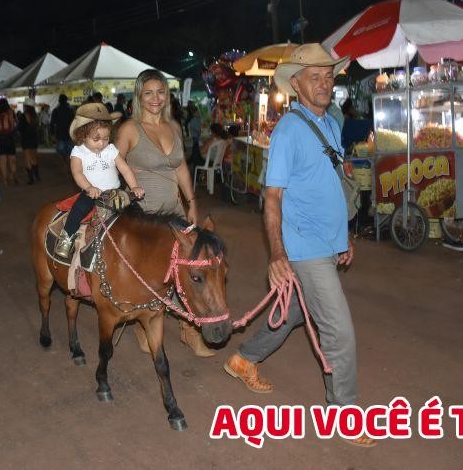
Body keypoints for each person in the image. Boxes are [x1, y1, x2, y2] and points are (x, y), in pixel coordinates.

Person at [223, 44, 373, 447]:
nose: (324, 84)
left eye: (328, 76)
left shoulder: (331, 122)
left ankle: (243, 359)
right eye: (315, 77)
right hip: (303, 248)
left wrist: (343, 239)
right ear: (296, 84)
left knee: (289, 313)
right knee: (338, 331)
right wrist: (277, 253)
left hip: (326, 243)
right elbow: (272, 198)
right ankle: (344, 413)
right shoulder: (289, 129)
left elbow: (328, 187)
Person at [115, 69, 211, 357]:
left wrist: (191, 201)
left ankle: (189, 331)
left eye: (160, 92)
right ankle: (142, 324)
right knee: (152, 275)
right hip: (144, 217)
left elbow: (180, 166)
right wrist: (128, 185)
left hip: (175, 212)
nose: (155, 98)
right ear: (139, 97)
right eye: (149, 93)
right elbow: (112, 159)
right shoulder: (130, 129)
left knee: (187, 270)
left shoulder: (173, 127)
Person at [54, 103, 144, 258]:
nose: (102, 143)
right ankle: (66, 237)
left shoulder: (110, 150)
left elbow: (125, 169)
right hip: (92, 193)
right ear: (83, 135)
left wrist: (134, 186)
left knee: (136, 212)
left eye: (106, 138)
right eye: (96, 139)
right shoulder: (78, 152)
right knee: (77, 211)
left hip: (115, 192)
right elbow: (77, 173)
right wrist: (89, 188)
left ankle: (143, 239)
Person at [0, 98, 18, 185]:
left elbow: (0, 128)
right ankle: (12, 175)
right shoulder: (11, 113)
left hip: (2, 139)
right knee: (12, 159)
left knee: (3, 160)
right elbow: (12, 126)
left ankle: (5, 180)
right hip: (10, 138)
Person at [18, 101, 40, 184]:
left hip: (26, 139)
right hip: (34, 139)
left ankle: (31, 179)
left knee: (27, 159)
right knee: (34, 158)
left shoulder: (23, 116)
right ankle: (37, 176)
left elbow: (20, 128)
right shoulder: (35, 116)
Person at [50, 94, 75, 162]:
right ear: (66, 101)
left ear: (59, 101)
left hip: (59, 134)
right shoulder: (70, 110)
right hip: (69, 134)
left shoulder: (56, 110)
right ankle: (68, 166)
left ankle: (65, 164)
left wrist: (52, 134)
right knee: (69, 153)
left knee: (61, 151)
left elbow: (52, 123)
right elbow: (74, 123)